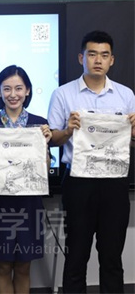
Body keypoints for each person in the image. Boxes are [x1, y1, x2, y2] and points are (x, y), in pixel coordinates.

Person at [47, 31, 135, 293]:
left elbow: (131, 143)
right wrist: (68, 130)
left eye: (104, 55)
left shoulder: (126, 96)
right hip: (78, 183)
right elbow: (52, 139)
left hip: (114, 183)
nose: (98, 60)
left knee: (112, 256)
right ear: (81, 58)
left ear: (112, 60)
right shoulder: (63, 94)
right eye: (92, 54)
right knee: (76, 255)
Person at [0, 65, 52, 294]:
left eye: (19, 88)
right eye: (7, 88)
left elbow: (44, 169)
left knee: (23, 267)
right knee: (2, 266)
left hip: (29, 205)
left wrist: (45, 145)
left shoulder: (39, 123)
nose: (13, 94)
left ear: (28, 90)